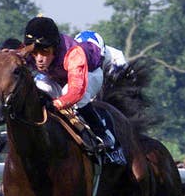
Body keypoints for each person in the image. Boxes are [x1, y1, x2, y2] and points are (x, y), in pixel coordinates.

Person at [22, 16, 125, 164]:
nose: (39, 59)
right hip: (60, 76)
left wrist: (56, 104)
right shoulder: (29, 52)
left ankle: (106, 137)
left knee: (68, 94)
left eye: (44, 52)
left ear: (55, 47)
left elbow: (75, 92)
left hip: (92, 72)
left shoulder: (73, 54)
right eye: (35, 53)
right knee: (38, 87)